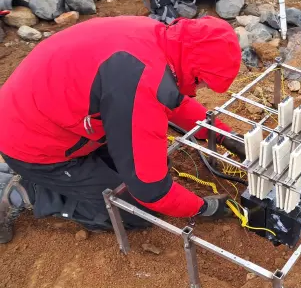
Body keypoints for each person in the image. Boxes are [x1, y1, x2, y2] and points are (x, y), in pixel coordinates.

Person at [0, 15, 247, 244]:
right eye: (203, 82)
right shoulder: (138, 83)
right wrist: (203, 208)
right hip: (35, 146)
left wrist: (224, 135)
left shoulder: (162, 39)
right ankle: (25, 192)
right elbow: (150, 191)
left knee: (143, 169)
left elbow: (173, 99)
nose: (201, 88)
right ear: (194, 71)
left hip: (54, 116)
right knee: (136, 210)